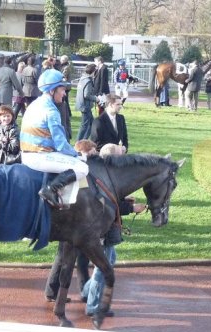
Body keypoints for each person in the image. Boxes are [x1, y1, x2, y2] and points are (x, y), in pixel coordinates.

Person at [82, 143, 145, 316]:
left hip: (104, 228)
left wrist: (126, 201)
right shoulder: (103, 178)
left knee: (110, 260)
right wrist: (132, 209)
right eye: (119, 156)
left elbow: (113, 200)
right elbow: (108, 205)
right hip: (103, 230)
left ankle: (87, 293)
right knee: (103, 268)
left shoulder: (104, 174)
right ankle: (93, 306)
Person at [20, 68, 89, 208]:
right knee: (83, 168)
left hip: (30, 153)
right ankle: (51, 190)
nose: (64, 93)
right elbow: (61, 144)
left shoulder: (35, 104)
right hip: (39, 156)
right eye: (62, 89)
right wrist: (77, 154)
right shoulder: (51, 111)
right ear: (52, 91)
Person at [44, 139, 99, 303]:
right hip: (73, 220)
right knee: (65, 257)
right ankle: (56, 291)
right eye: (93, 152)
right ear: (86, 152)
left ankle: (58, 290)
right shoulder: (80, 169)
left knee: (74, 257)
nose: (95, 154)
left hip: (73, 219)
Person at [75, 63, 97, 141]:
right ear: (93, 71)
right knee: (84, 126)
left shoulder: (83, 79)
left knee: (92, 123)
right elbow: (86, 95)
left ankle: (84, 141)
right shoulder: (88, 81)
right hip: (85, 106)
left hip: (81, 104)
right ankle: (79, 142)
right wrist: (96, 99)